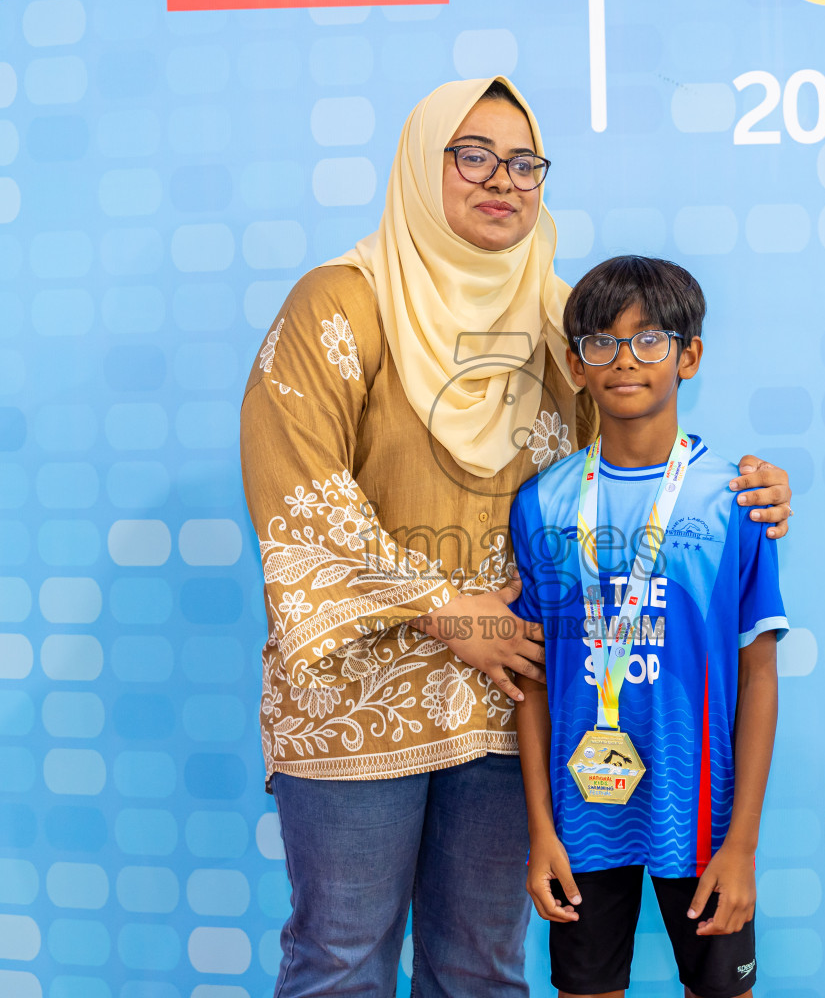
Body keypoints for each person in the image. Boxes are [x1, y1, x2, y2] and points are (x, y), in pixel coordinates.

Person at [239, 77, 793, 997]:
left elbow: (626, 480)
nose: (502, 180)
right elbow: (296, 488)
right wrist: (446, 610)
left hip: (514, 705)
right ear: (421, 167)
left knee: (482, 967)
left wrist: (749, 489)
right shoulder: (340, 304)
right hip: (361, 702)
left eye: (524, 162)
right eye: (473, 156)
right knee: (342, 957)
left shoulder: (557, 319)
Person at [509, 256, 786, 998]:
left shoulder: (736, 501)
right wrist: (541, 830)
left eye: (649, 340)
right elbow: (530, 680)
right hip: (582, 818)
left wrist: (743, 845)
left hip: (701, 818)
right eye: (601, 342)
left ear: (688, 357)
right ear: (576, 365)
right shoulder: (541, 503)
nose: (625, 359)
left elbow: (759, 674)